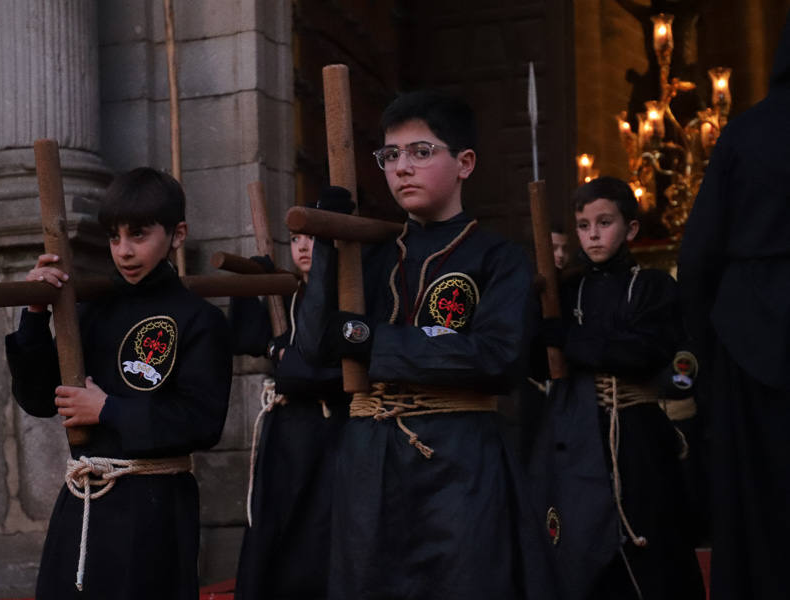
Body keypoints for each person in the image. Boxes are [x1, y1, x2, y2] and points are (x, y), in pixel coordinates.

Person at [296, 90, 554, 600]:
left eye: (420, 151)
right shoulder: (369, 259)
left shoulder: (498, 258)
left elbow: (495, 356)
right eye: (390, 156)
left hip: (459, 460)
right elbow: (315, 346)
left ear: (465, 163)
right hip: (371, 459)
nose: (401, 168)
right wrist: (328, 246)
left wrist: (371, 338)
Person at [5, 167, 232, 599]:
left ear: (177, 234)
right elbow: (38, 399)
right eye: (114, 237)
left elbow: (203, 422)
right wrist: (34, 316)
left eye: (138, 235)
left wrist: (107, 409)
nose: (124, 251)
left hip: (155, 512)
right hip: (83, 502)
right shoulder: (90, 309)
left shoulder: (200, 320)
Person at [531, 176, 704, 600]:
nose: (592, 234)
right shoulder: (566, 289)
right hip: (579, 436)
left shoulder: (652, 286)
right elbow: (538, 361)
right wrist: (537, 318)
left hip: (638, 435)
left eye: (604, 222)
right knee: (583, 540)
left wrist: (569, 340)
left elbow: (642, 352)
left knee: (649, 538)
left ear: (630, 229)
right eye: (583, 225)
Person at [678, 11, 790, 599]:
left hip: (753, 344)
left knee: (761, 510)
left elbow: (697, 257)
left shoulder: (745, 133)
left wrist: (710, 351)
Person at [230, 230, 348, 600]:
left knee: (318, 529)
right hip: (285, 429)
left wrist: (294, 363)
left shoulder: (348, 293)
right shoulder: (289, 294)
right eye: (295, 237)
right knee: (276, 523)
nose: (302, 245)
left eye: (313, 237)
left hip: (330, 429)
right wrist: (254, 286)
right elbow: (248, 340)